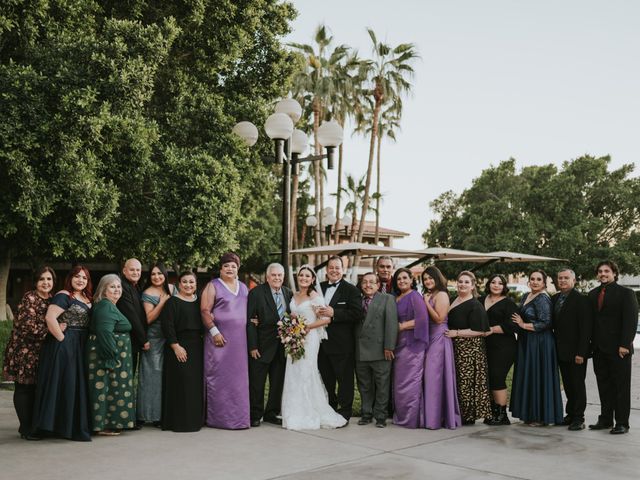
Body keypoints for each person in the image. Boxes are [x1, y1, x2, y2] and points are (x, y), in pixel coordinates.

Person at [281, 265, 347, 430]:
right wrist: (291, 327)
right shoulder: (295, 295)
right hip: (295, 336)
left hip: (309, 338)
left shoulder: (314, 296)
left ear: (312, 280)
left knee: (306, 371)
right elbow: (293, 315)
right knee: (293, 370)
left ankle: (308, 411)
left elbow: (326, 320)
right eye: (301, 275)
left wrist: (306, 328)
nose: (303, 278)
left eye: (307, 276)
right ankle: (293, 410)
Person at [32, 265, 93, 441]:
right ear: (70, 278)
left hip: (81, 343)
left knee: (75, 385)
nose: (80, 280)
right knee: (65, 383)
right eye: (77, 277)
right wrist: (62, 339)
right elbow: (50, 318)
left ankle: (71, 424)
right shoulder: (63, 295)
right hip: (66, 344)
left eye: (84, 277)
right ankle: (55, 427)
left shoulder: (87, 297)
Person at [2, 266, 56, 440]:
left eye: (49, 279)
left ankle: (34, 424)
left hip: (42, 351)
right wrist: (54, 329)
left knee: (35, 388)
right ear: (35, 282)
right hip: (24, 350)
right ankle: (25, 427)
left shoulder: (53, 299)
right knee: (24, 387)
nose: (46, 283)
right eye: (42, 279)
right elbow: (28, 328)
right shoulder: (29, 298)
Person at [587, 260, 638, 435]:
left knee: (621, 387)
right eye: (600, 271)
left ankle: (622, 422)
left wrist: (624, 344)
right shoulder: (592, 294)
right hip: (599, 349)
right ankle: (606, 419)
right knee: (604, 386)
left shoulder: (626, 293)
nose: (603, 274)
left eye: (606, 271)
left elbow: (631, 321)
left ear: (614, 273)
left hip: (619, 350)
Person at [201, 252, 250, 430]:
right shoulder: (213, 286)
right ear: (221, 269)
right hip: (219, 340)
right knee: (219, 378)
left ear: (238, 269)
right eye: (226, 266)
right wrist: (214, 332)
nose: (230, 269)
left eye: (233, 266)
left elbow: (249, 311)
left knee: (238, 380)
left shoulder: (244, 288)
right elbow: (205, 311)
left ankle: (240, 418)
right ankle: (218, 418)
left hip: (240, 342)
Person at [510, 270, 563, 426]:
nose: (534, 282)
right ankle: (529, 413)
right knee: (529, 375)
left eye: (538, 279)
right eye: (532, 279)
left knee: (538, 376)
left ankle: (540, 416)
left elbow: (545, 323)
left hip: (540, 343)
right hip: (527, 340)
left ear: (544, 282)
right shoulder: (527, 296)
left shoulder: (543, 298)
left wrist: (522, 324)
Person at [86, 274, 135, 435]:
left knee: (110, 390)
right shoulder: (105, 306)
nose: (117, 290)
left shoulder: (109, 305)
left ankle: (108, 424)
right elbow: (104, 332)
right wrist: (112, 357)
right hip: (107, 358)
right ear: (103, 290)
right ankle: (103, 425)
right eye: (112, 286)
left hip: (112, 357)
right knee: (104, 390)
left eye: (118, 286)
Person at [318, 256, 364, 423]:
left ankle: (345, 412)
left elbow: (357, 313)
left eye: (337, 268)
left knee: (344, 381)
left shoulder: (351, 290)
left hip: (342, 345)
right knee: (325, 379)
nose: (334, 270)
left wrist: (334, 313)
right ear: (327, 269)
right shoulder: (318, 288)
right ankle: (329, 408)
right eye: (331, 267)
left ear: (343, 270)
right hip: (320, 345)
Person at [247, 263, 292, 427]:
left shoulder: (288, 293)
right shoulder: (256, 293)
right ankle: (255, 414)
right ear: (267, 277)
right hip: (261, 346)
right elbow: (250, 322)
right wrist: (252, 346)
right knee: (257, 383)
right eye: (274, 275)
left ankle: (271, 413)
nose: (277, 278)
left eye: (280, 275)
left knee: (277, 383)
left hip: (282, 347)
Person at [445, 271, 491, 425]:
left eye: (466, 282)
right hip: (454, 345)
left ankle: (468, 415)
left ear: (472, 286)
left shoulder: (475, 305)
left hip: (469, 347)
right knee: (455, 379)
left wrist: (456, 333)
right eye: (460, 281)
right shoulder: (453, 300)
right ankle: (455, 410)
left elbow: (480, 330)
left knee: (466, 382)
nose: (462, 284)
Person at [161, 271, 204, 432]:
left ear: (196, 284)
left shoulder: (199, 302)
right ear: (179, 284)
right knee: (181, 383)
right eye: (185, 282)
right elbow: (167, 325)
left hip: (197, 347)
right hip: (178, 346)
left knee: (194, 385)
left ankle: (194, 421)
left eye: (191, 282)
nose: (188, 285)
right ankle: (178, 422)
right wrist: (175, 346)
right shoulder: (172, 302)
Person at [355, 272, 398, 428]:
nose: (368, 285)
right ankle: (366, 413)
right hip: (360, 350)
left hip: (381, 350)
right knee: (364, 385)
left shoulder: (387, 299)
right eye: (365, 282)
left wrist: (389, 346)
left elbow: (392, 325)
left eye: (372, 282)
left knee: (382, 385)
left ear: (378, 285)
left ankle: (380, 416)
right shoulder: (357, 300)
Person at [552, 268, 592, 431]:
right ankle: (570, 414)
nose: (562, 281)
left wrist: (581, 353)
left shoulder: (582, 300)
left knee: (577, 384)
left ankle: (578, 417)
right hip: (560, 351)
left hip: (576, 352)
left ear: (573, 281)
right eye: (560, 278)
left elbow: (586, 329)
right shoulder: (554, 299)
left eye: (566, 278)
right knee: (568, 384)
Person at [422, 266, 461, 430]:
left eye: (430, 278)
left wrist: (425, 302)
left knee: (433, 377)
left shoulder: (442, 295)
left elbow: (439, 319)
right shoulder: (430, 294)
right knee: (430, 378)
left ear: (437, 278)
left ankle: (436, 419)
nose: (428, 281)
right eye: (425, 279)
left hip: (439, 338)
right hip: (429, 337)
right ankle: (432, 416)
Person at [137, 262, 175, 426]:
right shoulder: (147, 293)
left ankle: (166, 412)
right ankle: (150, 415)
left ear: (165, 274)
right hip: (154, 338)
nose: (157, 277)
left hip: (170, 337)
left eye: (160, 273)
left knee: (167, 375)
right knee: (152, 376)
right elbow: (148, 318)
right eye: (153, 274)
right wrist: (161, 303)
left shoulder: (173, 289)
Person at [392, 267, 429, 428]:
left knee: (410, 383)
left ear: (412, 280)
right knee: (399, 383)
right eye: (399, 279)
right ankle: (401, 415)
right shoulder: (396, 298)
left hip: (412, 345)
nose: (402, 281)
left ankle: (411, 418)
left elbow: (421, 320)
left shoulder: (415, 296)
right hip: (398, 345)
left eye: (405, 278)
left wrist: (400, 326)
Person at [479, 274, 518, 426]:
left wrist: (492, 329)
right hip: (484, 345)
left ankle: (502, 415)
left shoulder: (509, 303)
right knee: (488, 378)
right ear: (488, 284)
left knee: (497, 377)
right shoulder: (480, 300)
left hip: (504, 347)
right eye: (493, 282)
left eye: (500, 283)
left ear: (504, 286)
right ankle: (492, 412)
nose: (496, 285)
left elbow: (513, 326)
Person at [117, 258, 149, 381]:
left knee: (129, 377)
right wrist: (144, 339)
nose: (136, 272)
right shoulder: (122, 287)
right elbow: (132, 315)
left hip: (133, 341)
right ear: (124, 271)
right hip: (126, 341)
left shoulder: (135, 287)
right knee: (124, 377)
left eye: (138, 270)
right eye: (132, 269)